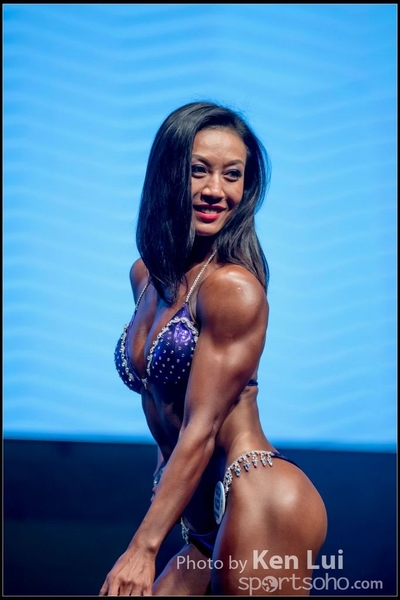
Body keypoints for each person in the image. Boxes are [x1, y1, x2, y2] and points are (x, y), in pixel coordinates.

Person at [99, 101, 327, 596]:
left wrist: (143, 547)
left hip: (261, 499)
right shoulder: (146, 275)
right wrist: (167, 497)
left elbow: (200, 428)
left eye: (232, 175)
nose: (215, 190)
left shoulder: (233, 289)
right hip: (202, 521)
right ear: (168, 172)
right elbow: (162, 402)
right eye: (198, 170)